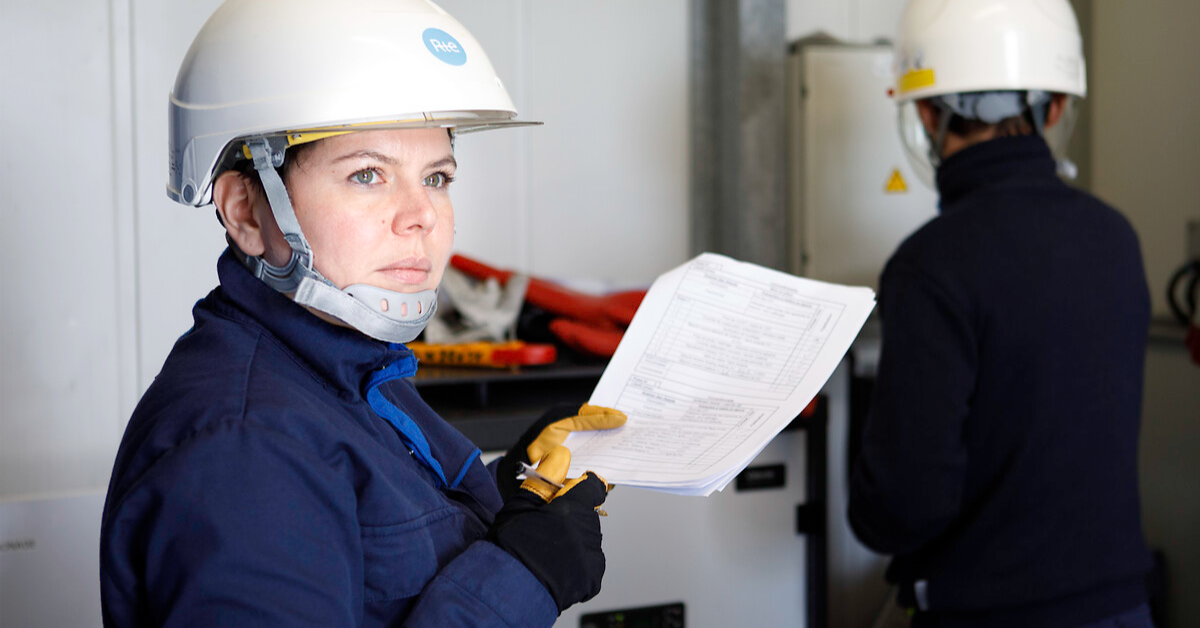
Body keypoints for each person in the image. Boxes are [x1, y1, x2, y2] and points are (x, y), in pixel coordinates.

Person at [99, 1, 626, 626]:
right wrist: (521, 576)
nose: (421, 216)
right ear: (244, 210)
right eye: (368, 174)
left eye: (436, 177)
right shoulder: (243, 451)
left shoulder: (354, 372)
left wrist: (513, 500)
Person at [848, 1, 1155, 627]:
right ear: (1059, 106)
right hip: (1123, 606)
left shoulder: (931, 263)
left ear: (926, 113)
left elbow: (905, 505)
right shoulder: (1116, 237)